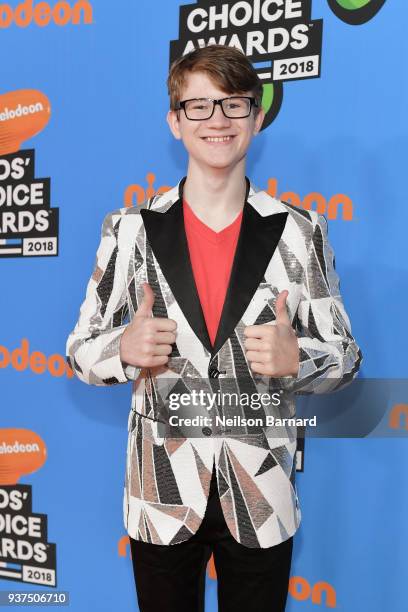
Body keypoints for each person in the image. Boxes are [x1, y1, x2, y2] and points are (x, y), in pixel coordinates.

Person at [66, 44, 362, 612]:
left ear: (256, 116)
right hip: (161, 493)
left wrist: (301, 358)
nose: (218, 121)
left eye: (233, 104)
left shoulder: (301, 232)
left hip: (263, 492)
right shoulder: (130, 230)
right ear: (174, 122)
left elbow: (347, 356)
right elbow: (80, 349)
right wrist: (122, 348)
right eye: (198, 106)